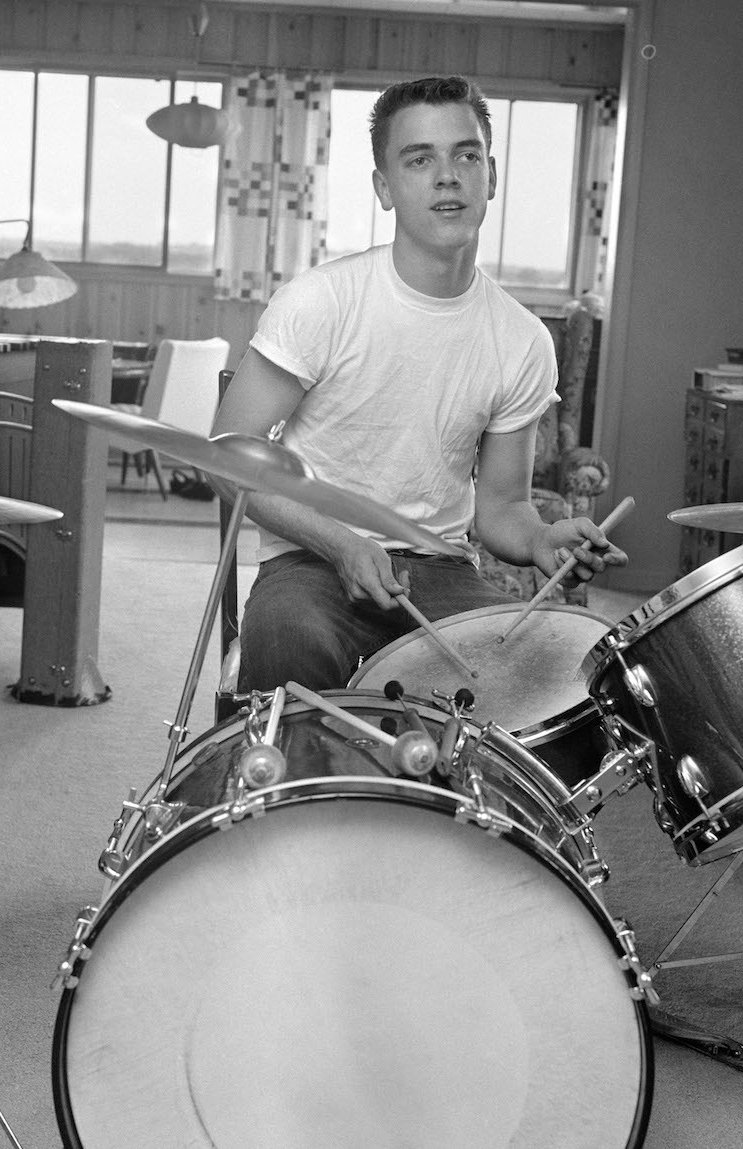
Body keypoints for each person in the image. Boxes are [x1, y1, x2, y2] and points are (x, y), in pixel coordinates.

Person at [211, 75, 627, 694]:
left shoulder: (522, 340)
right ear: (385, 187)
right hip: (313, 560)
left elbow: (502, 510)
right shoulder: (320, 302)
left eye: (466, 155)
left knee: (528, 674)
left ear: (492, 175)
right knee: (288, 640)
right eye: (419, 159)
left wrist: (541, 538)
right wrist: (341, 542)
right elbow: (225, 455)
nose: (448, 176)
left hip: (439, 569)